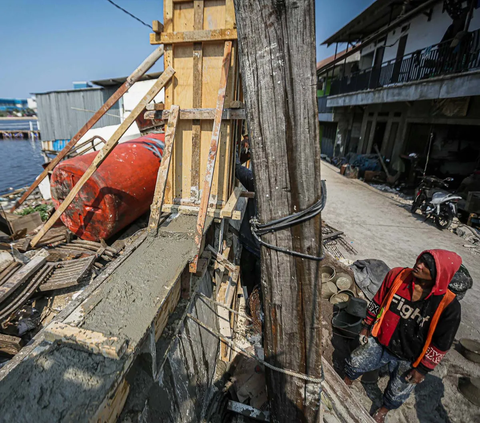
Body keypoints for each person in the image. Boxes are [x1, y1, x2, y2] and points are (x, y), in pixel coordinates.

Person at [344, 249, 462, 423]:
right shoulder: (397, 276)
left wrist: (422, 369)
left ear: (439, 276)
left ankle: (382, 411)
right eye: (420, 260)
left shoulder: (449, 306)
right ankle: (345, 383)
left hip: (411, 358)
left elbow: (442, 343)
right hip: (381, 341)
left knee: (398, 390)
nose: (418, 265)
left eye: (426, 265)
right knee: (355, 362)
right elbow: (378, 300)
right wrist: (367, 326)